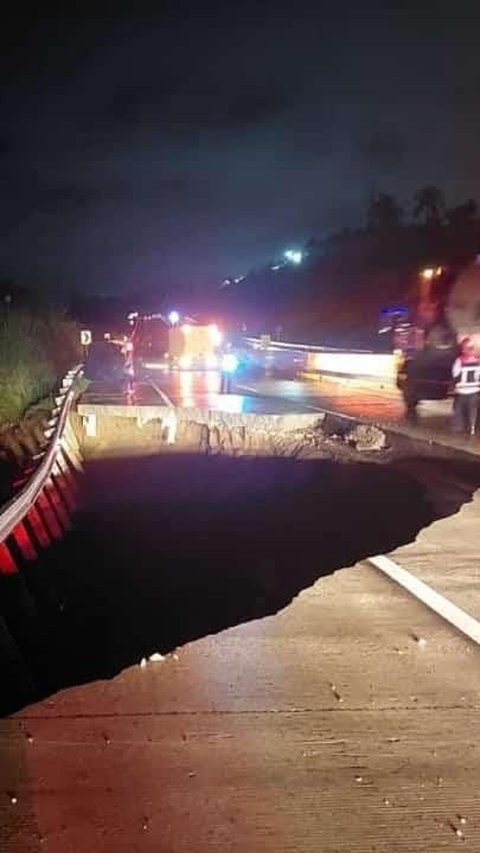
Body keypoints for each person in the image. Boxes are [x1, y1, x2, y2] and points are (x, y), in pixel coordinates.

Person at [452, 337, 480, 436]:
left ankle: (458, 428)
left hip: (462, 391)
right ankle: (472, 428)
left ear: (463, 349)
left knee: (458, 409)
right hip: (475, 390)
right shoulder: (478, 360)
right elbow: (478, 376)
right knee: (473, 410)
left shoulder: (459, 361)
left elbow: (455, 374)